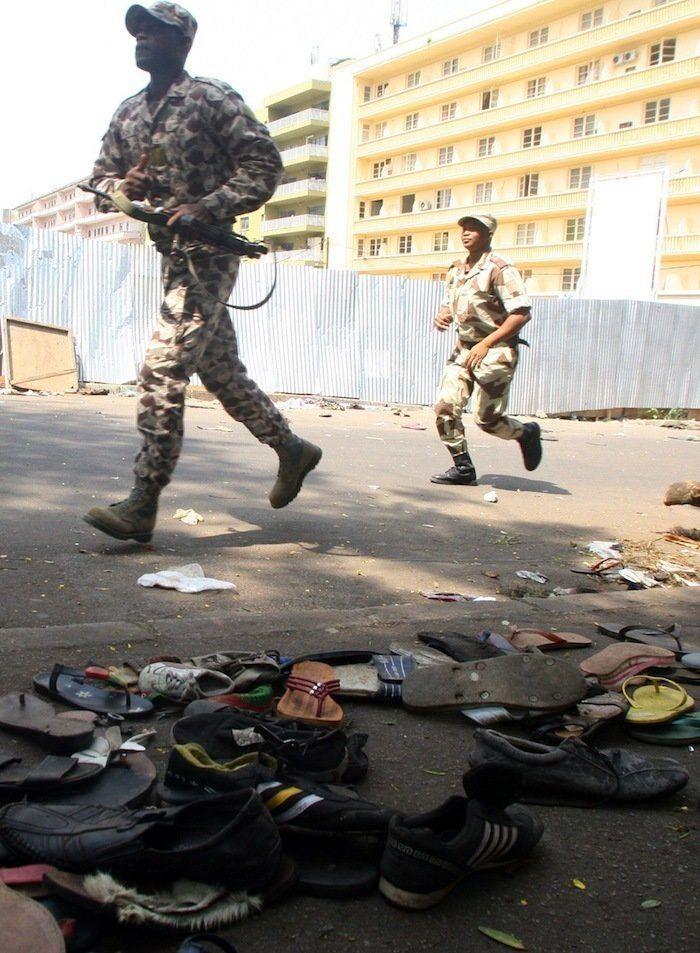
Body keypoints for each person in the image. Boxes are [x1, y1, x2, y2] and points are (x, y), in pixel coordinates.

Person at [83, 2, 321, 544]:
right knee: (221, 373)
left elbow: (264, 165)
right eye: (137, 31)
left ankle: (143, 503)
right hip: (172, 258)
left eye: (156, 31)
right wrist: (125, 191)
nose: (142, 38)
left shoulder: (212, 99)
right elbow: (100, 180)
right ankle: (291, 448)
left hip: (209, 255)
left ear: (184, 41)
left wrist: (208, 205)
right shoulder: (129, 114)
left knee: (163, 369)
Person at [430, 213, 542, 486]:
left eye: (474, 229)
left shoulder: (500, 269)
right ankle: (463, 468)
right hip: (463, 350)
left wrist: (486, 343)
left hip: (496, 350)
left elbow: (522, 314)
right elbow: (450, 303)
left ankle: (525, 433)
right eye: (464, 228)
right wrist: (442, 315)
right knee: (445, 408)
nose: (466, 233)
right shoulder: (456, 270)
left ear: (488, 235)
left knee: (487, 420)